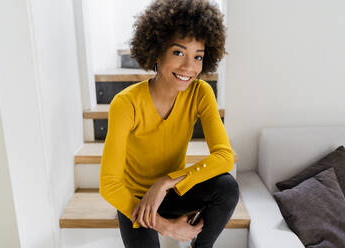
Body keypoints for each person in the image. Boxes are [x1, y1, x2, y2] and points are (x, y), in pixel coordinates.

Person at [99, 0, 240, 247]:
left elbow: (224, 157)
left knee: (227, 187)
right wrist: (169, 227)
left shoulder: (200, 92)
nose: (189, 67)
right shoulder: (126, 103)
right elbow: (109, 185)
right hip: (136, 201)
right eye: (178, 53)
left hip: (174, 191)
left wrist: (165, 182)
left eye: (198, 57)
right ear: (156, 51)